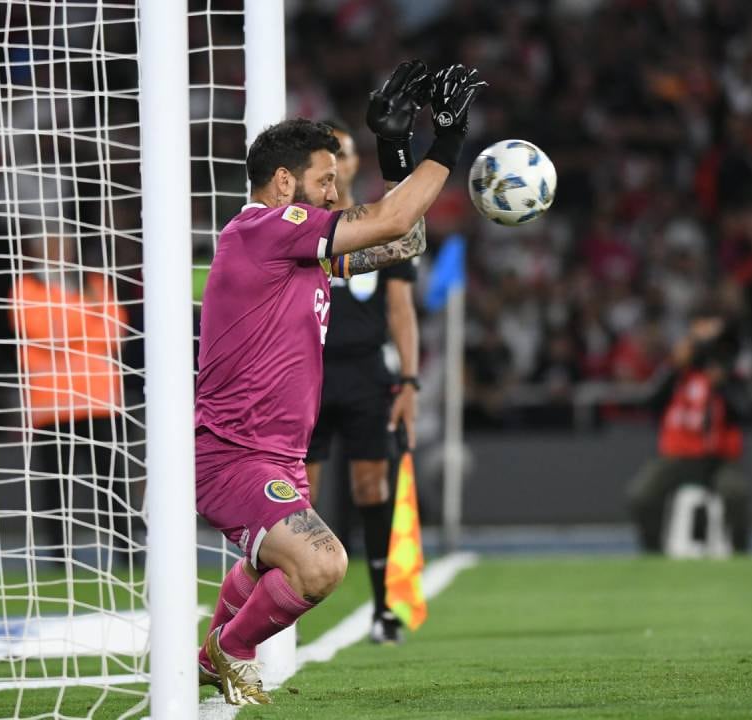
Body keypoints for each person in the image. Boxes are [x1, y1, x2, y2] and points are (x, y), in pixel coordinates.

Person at [194, 61, 483, 705]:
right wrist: (449, 141)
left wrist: (393, 147)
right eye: (325, 182)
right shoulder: (262, 229)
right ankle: (230, 650)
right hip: (233, 453)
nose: (333, 194)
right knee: (323, 564)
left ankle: (208, 657)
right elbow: (385, 222)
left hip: (272, 452)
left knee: (272, 565)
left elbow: (403, 242)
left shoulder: (295, 248)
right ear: (282, 181)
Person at [304, 119, 420, 645]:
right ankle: (287, 617)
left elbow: (401, 309)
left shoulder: (378, 224)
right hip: (305, 372)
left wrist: (411, 381)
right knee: (298, 496)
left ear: (352, 163)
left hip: (366, 375)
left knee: (372, 486)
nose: (338, 160)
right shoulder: (299, 227)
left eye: (344, 152)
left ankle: (383, 609)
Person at [11, 234, 137, 570]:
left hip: (98, 401)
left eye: (64, 243)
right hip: (51, 405)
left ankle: (129, 553)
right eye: (51, 244)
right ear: (37, 250)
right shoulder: (27, 288)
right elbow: (38, 330)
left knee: (111, 483)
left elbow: (115, 331)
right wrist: (85, 329)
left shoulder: (95, 283)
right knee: (55, 488)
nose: (59, 250)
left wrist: (68, 332)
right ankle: (58, 559)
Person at [627, 305, 750, 554]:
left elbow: (744, 411)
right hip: (676, 456)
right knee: (641, 494)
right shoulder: (679, 372)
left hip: (718, 460)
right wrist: (674, 365)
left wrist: (722, 382)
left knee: (737, 493)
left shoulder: (726, 370)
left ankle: (739, 550)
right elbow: (650, 403)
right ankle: (653, 551)